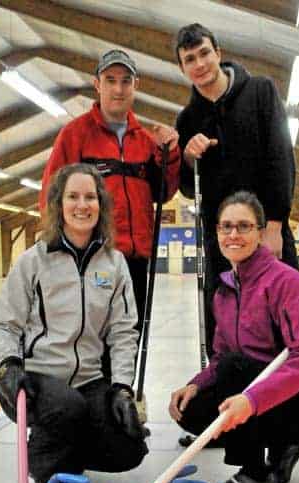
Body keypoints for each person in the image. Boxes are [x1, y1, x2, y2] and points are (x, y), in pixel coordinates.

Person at [174, 23, 299, 462]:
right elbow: (186, 187)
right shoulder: (188, 119)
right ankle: (227, 410)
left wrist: (275, 223)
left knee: (292, 325)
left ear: (218, 52)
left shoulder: (260, 93)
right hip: (221, 243)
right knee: (225, 333)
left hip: (266, 231)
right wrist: (187, 155)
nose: (199, 65)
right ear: (181, 68)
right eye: (189, 60)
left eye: (203, 54)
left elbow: (281, 156)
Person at [169, 191, 299, 483]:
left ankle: (256, 478)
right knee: (194, 408)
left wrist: (251, 401)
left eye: (244, 226)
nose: (233, 235)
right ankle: (282, 446)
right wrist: (195, 383)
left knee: (236, 372)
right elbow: (221, 356)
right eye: (226, 227)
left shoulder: (289, 283)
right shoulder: (225, 291)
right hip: (258, 391)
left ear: (261, 233)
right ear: (217, 233)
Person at [0, 163, 148, 483]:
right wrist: (7, 366)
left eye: (90, 197)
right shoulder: (34, 260)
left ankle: (69, 453)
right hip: (36, 379)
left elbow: (122, 332)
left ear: (100, 206)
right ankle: (46, 469)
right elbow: (4, 325)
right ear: (58, 205)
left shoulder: (114, 263)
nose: (82, 205)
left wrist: (121, 388)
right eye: (72, 196)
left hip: (88, 380)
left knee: (128, 447)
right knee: (67, 406)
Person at [40, 49, 180, 343]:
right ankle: (92, 391)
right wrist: (56, 249)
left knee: (129, 338)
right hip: (92, 256)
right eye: (111, 80)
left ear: (135, 85)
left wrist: (171, 154)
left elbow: (164, 192)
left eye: (126, 81)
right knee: (91, 340)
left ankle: (122, 390)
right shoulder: (74, 134)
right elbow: (51, 194)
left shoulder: (146, 139)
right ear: (97, 84)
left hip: (137, 259)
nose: (118, 89)